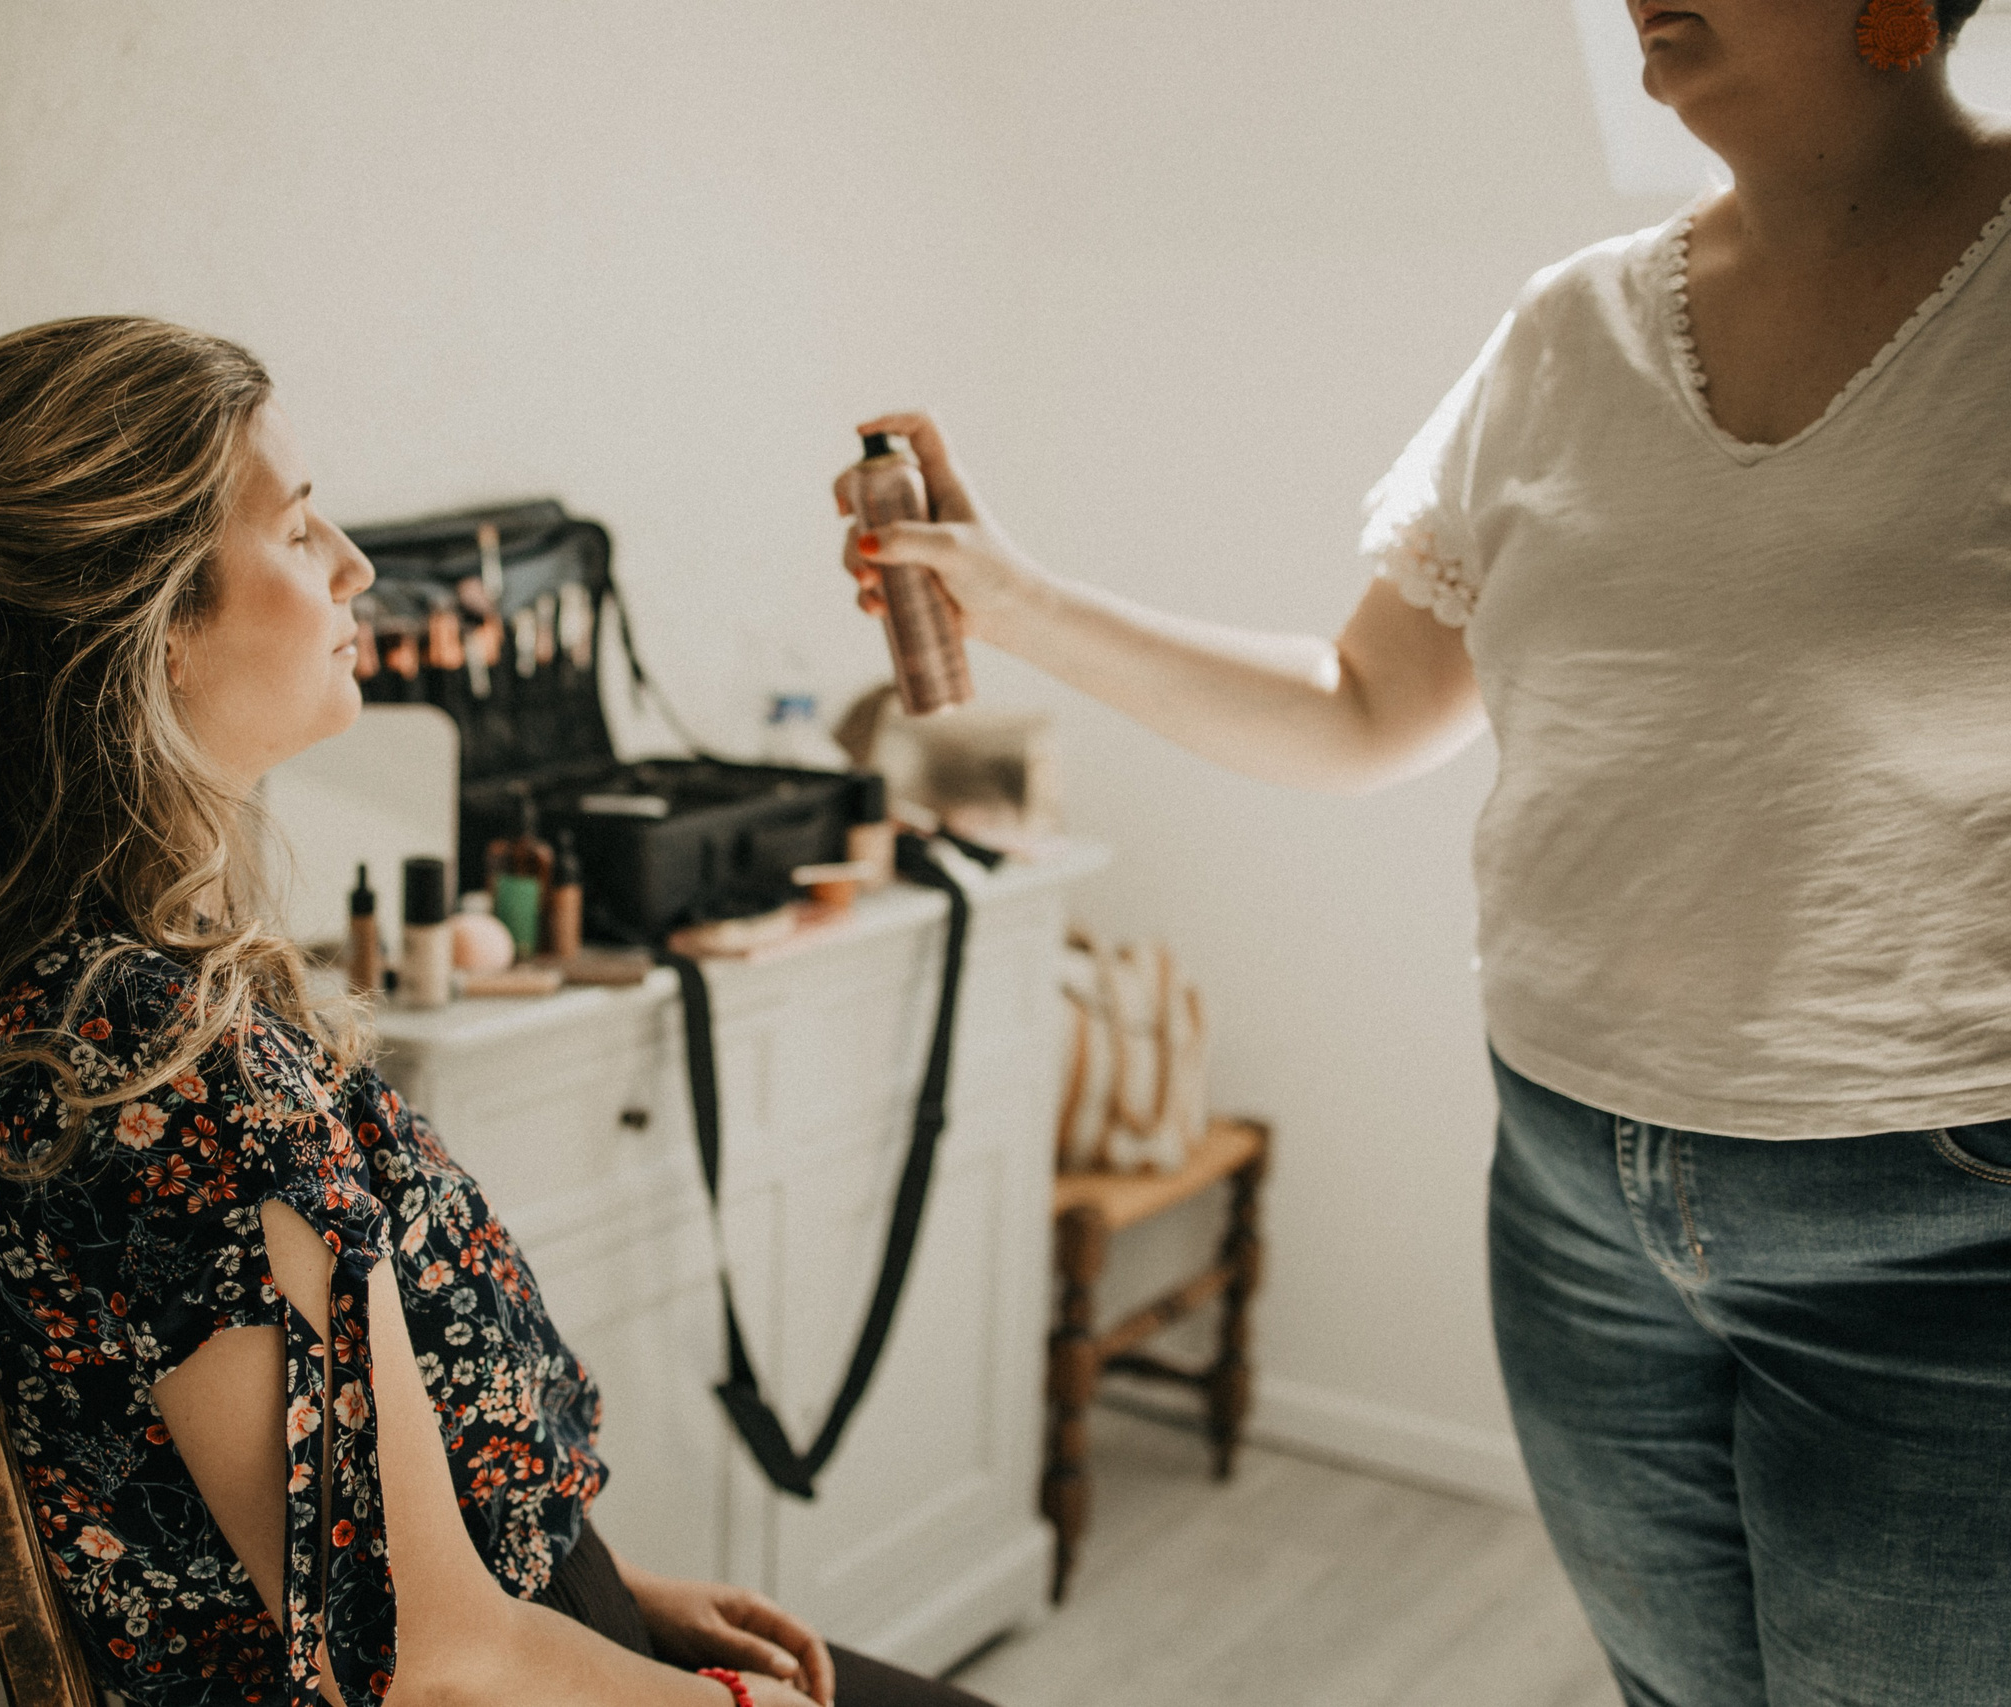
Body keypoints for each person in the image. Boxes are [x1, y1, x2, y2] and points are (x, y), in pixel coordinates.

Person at [842, 5, 2011, 1703]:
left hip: (1938, 1228)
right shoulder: (1572, 330)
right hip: (1573, 1196)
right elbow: (1357, 704)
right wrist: (1011, 603)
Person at [0, 316, 995, 1707]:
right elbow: (432, 1667)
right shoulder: (166, 1082)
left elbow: (354, 1537)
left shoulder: (87, 999)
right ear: (152, 631)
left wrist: (600, 1593)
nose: (359, 571)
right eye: (298, 532)